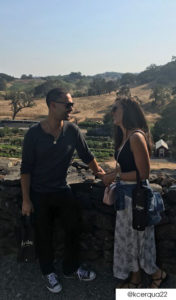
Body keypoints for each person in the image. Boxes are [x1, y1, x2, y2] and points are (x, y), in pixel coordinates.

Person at [20, 88, 105, 293]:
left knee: (74, 228)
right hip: (39, 193)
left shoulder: (72, 131)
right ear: (52, 105)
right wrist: (25, 200)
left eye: (72, 104)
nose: (71, 108)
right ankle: (47, 271)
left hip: (61, 189)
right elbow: (26, 169)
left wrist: (102, 174)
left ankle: (71, 267)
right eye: (67, 104)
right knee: (43, 234)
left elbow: (87, 156)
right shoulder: (34, 134)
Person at [98, 97, 167, 288]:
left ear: (126, 111)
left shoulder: (136, 137)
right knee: (129, 240)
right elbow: (125, 167)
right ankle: (135, 279)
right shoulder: (125, 136)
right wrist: (114, 173)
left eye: (115, 109)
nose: (112, 112)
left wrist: (115, 177)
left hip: (136, 197)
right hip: (126, 197)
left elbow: (143, 173)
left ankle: (157, 274)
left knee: (140, 240)